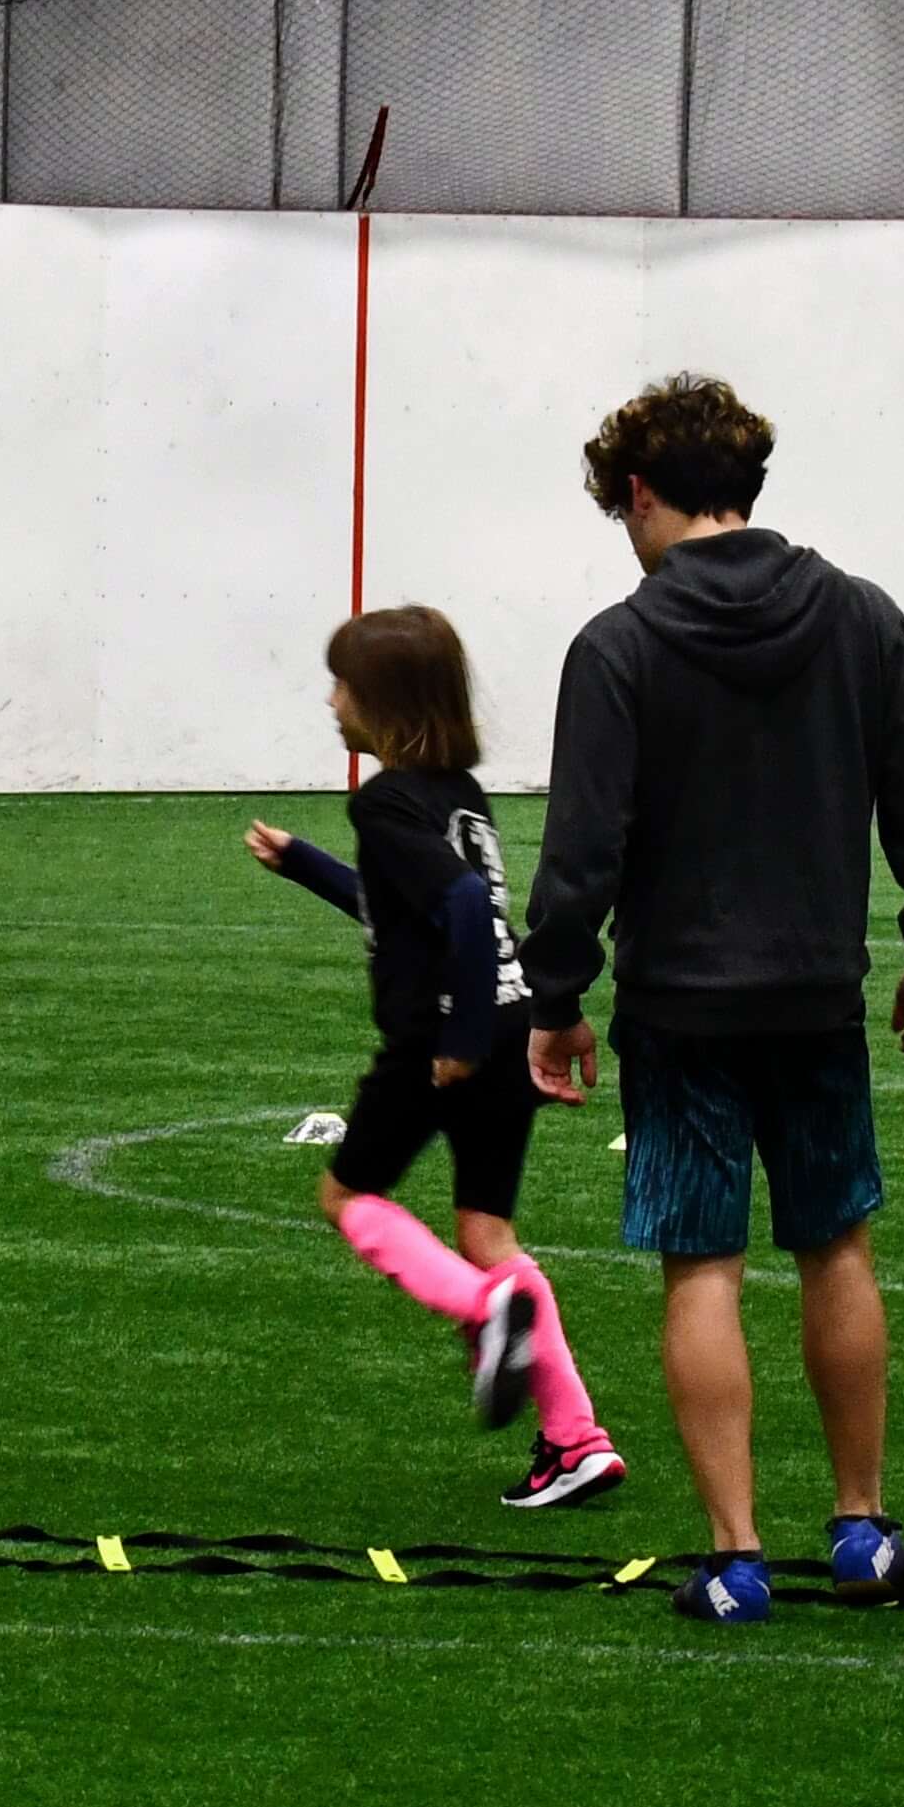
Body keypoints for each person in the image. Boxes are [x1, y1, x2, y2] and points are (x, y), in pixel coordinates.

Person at [518, 376, 904, 1628]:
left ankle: (733, 1555)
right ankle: (862, 1527)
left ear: (646, 493)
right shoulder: (866, 619)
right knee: (836, 1246)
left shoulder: (615, 647)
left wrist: (555, 996)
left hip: (680, 1009)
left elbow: (580, 852)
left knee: (701, 1268)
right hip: (819, 1003)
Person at [244, 606, 625, 1513]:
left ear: (379, 704)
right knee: (489, 1236)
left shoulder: (381, 803)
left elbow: (455, 908)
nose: (331, 699)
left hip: (441, 1045)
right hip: (509, 1022)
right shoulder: (458, 794)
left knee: (348, 1196)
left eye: (342, 684)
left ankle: (483, 1311)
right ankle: (577, 1441)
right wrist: (306, 866)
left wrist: (448, 1044)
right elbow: (408, 903)